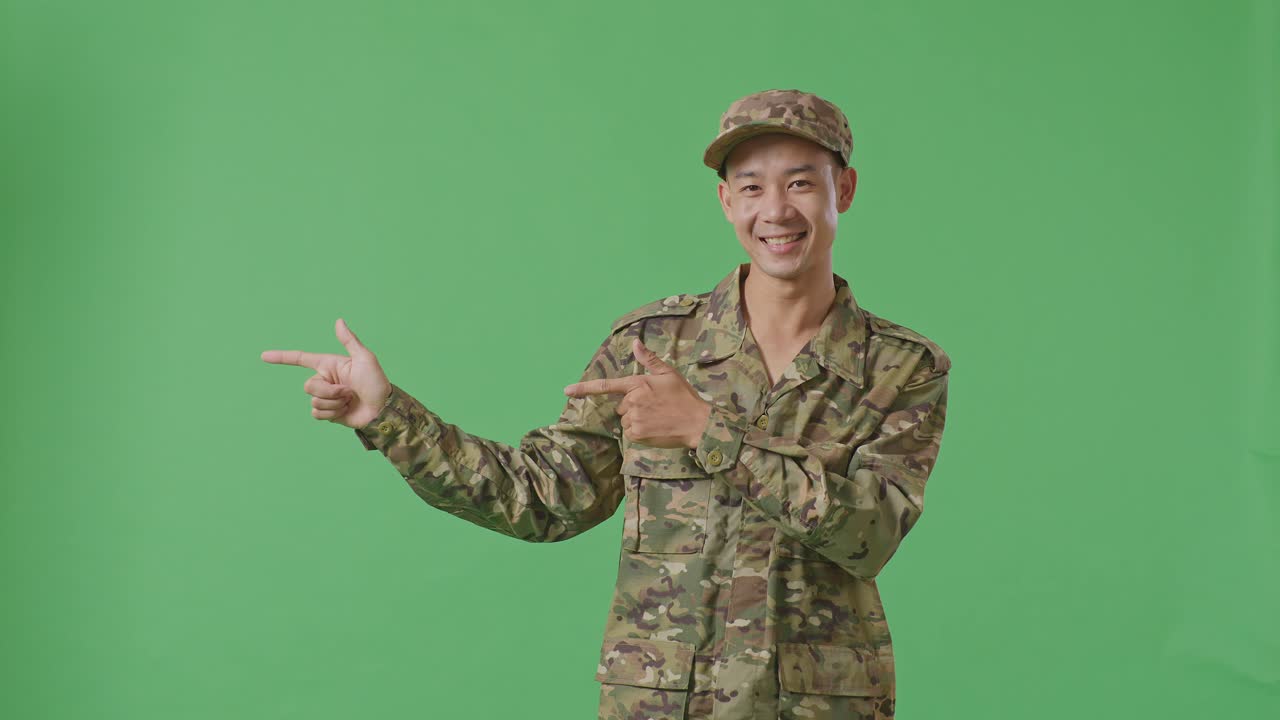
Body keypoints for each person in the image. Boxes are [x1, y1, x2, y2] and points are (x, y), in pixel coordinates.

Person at [261, 88, 951, 720]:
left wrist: (707, 430)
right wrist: (389, 417)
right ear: (725, 201)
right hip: (661, 702)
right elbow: (542, 498)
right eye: (751, 186)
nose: (775, 210)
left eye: (800, 182)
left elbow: (871, 534)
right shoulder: (650, 345)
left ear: (844, 189)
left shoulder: (902, 367)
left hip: (819, 707)